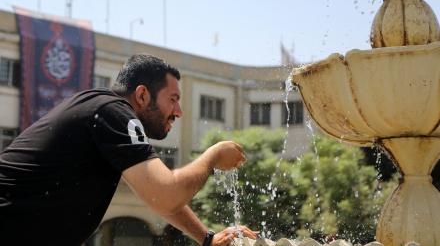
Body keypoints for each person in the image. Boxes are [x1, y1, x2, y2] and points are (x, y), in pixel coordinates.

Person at [0, 53, 258, 246]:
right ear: (142, 95)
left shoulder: (103, 111)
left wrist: (207, 239)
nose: (178, 112)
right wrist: (213, 155)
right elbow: (166, 194)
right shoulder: (113, 111)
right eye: (173, 100)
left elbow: (155, 196)